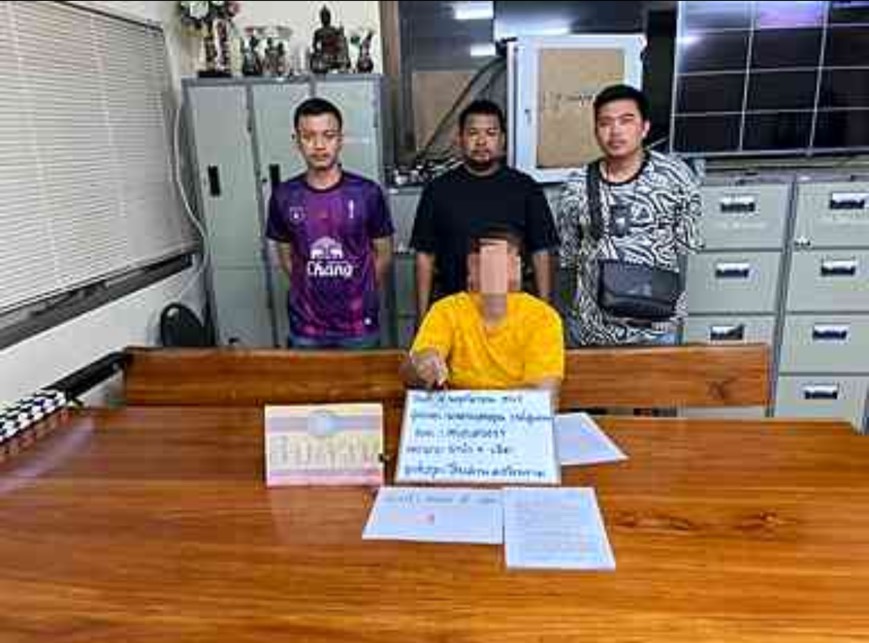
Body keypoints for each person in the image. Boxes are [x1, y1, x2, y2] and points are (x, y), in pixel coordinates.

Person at [556, 84, 701, 347]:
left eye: (626, 120)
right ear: (595, 131)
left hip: (656, 328)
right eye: (605, 123)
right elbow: (569, 255)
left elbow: (686, 244)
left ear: (644, 127)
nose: (615, 131)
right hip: (592, 329)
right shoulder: (576, 185)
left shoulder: (677, 177)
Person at [409, 99, 559, 320]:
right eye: (472, 133)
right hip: (456, 311)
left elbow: (541, 252)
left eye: (490, 133)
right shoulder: (437, 190)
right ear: (460, 139)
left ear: (502, 139)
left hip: (513, 312)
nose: (481, 141)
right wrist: (422, 317)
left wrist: (544, 314)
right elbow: (425, 255)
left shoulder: (526, 188)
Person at [266, 97, 394, 349]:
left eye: (328, 135)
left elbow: (384, 255)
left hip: (358, 327)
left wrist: (360, 290)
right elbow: (287, 260)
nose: (319, 145)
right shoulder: (284, 196)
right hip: (306, 328)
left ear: (340, 139)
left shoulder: (367, 192)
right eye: (308, 136)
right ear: (296, 141)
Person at [401, 227, 564, 409]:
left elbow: (544, 400)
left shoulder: (543, 318)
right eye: (488, 265)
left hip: (514, 420)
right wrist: (420, 366)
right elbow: (410, 375)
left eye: (504, 265)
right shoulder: (446, 310)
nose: (495, 274)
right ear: (472, 269)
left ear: (518, 269)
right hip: (457, 420)